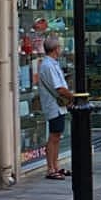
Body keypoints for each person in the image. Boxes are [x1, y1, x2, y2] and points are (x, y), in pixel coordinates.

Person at [38, 36, 74, 180]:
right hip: (53, 105)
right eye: (59, 47)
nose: (61, 49)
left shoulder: (52, 63)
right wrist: (73, 97)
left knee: (57, 136)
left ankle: (56, 166)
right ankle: (50, 168)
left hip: (57, 105)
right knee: (54, 136)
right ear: (56, 49)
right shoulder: (48, 65)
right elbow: (59, 88)